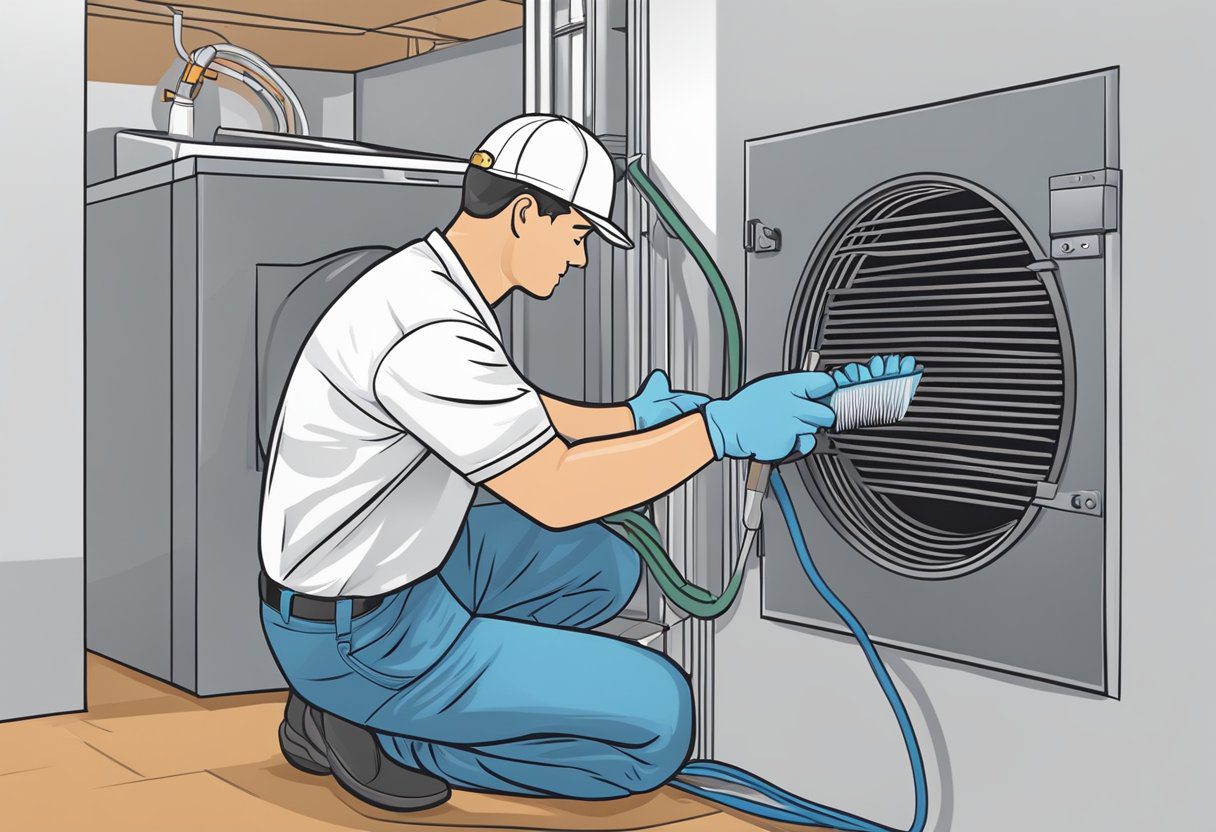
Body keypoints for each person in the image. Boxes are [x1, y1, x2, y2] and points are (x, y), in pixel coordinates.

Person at [257, 114, 842, 810]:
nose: (582, 258)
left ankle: (413, 692)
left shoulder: (423, 281)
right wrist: (720, 430)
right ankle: (372, 727)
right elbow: (556, 491)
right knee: (659, 722)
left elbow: (517, 410)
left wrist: (635, 418)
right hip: (361, 633)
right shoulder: (433, 332)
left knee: (608, 562)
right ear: (526, 212)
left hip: (393, 576)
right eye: (578, 234)